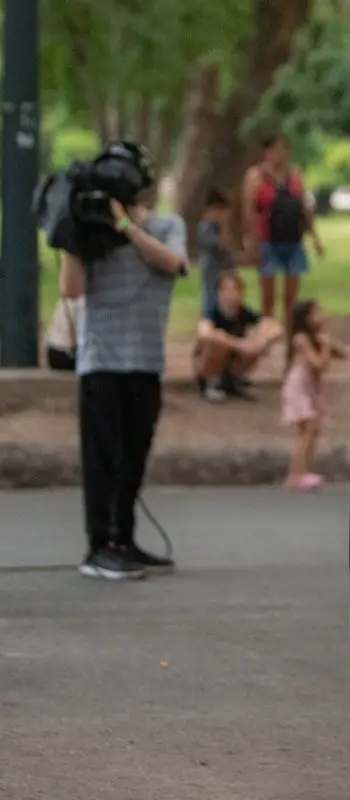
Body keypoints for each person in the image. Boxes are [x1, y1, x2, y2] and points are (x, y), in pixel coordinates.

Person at [57, 163, 188, 580]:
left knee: (133, 458)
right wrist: (71, 235)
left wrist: (126, 226)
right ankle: (99, 547)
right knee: (102, 462)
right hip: (101, 362)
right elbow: (72, 290)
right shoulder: (92, 233)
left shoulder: (167, 225)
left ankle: (125, 539)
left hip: (145, 361)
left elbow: (173, 263)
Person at [242, 134, 324, 324]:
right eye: (276, 150)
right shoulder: (255, 176)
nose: (281, 155)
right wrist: (252, 243)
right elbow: (249, 212)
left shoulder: (295, 174)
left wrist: (316, 239)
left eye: (284, 150)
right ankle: (268, 338)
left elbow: (305, 207)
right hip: (267, 241)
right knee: (268, 298)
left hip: (293, 241)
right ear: (267, 152)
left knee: (290, 299)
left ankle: (289, 342)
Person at [282, 298, 348, 489]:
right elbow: (319, 365)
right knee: (308, 427)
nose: (321, 315)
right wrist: (325, 346)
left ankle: (302, 472)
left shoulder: (318, 337)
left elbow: (343, 354)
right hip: (298, 388)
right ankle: (296, 474)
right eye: (315, 313)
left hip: (310, 388)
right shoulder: (300, 339)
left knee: (313, 428)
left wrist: (327, 338)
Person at [193, 270, 283, 402]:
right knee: (217, 341)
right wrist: (239, 345)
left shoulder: (245, 312)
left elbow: (275, 328)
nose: (231, 294)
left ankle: (235, 378)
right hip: (206, 363)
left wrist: (259, 341)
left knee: (259, 343)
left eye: (235, 290)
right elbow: (204, 333)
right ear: (219, 293)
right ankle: (211, 381)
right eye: (226, 290)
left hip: (232, 357)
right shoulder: (212, 312)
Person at [196, 189, 238, 318]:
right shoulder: (206, 227)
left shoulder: (216, 227)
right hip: (212, 273)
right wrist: (224, 225)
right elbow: (222, 244)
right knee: (210, 302)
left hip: (225, 272)